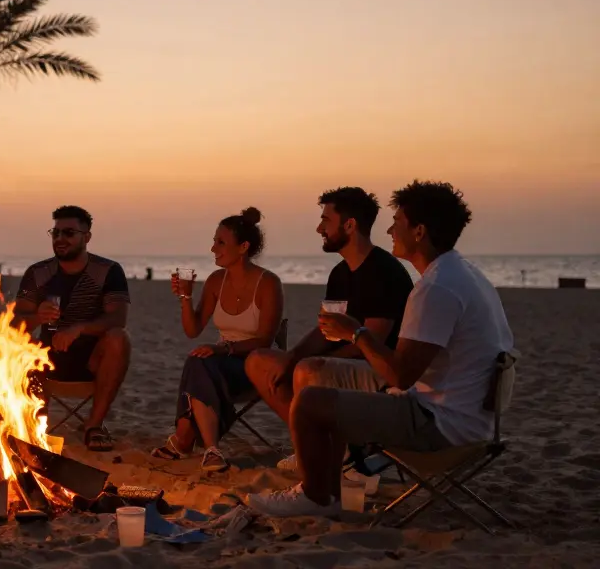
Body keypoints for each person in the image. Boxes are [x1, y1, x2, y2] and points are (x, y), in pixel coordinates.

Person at [248, 181, 515, 517]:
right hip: (465, 414)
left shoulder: (437, 289)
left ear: (419, 232)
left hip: (441, 424)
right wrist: (301, 356)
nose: (389, 230)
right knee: (316, 377)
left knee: (309, 403)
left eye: (397, 222)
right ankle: (329, 486)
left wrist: (356, 333)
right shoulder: (463, 274)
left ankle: (317, 497)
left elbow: (400, 376)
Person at [244, 187, 414, 470]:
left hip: (379, 370)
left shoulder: (384, 271)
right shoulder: (340, 273)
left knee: (307, 369)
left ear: (350, 225)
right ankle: (316, 445)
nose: (319, 228)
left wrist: (310, 361)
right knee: (259, 361)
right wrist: (293, 356)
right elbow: (326, 328)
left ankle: (330, 452)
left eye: (326, 220)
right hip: (339, 362)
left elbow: (372, 343)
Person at [152, 208, 284, 472]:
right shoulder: (215, 281)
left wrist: (225, 348)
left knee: (201, 363)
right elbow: (193, 330)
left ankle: (183, 439)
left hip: (254, 366)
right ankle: (211, 450)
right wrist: (185, 297)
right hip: (220, 364)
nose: (213, 248)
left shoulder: (268, 283)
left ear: (243, 247)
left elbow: (265, 341)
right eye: (214, 241)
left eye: (221, 242)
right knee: (198, 361)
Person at [14, 205, 132, 452]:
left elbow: (118, 318)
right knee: (21, 346)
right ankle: (34, 425)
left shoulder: (108, 271)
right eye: (55, 233)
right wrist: (37, 317)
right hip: (47, 357)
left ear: (86, 237)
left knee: (119, 338)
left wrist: (78, 329)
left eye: (68, 233)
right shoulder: (38, 273)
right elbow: (14, 325)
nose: (60, 239)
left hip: (93, 359)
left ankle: (94, 425)